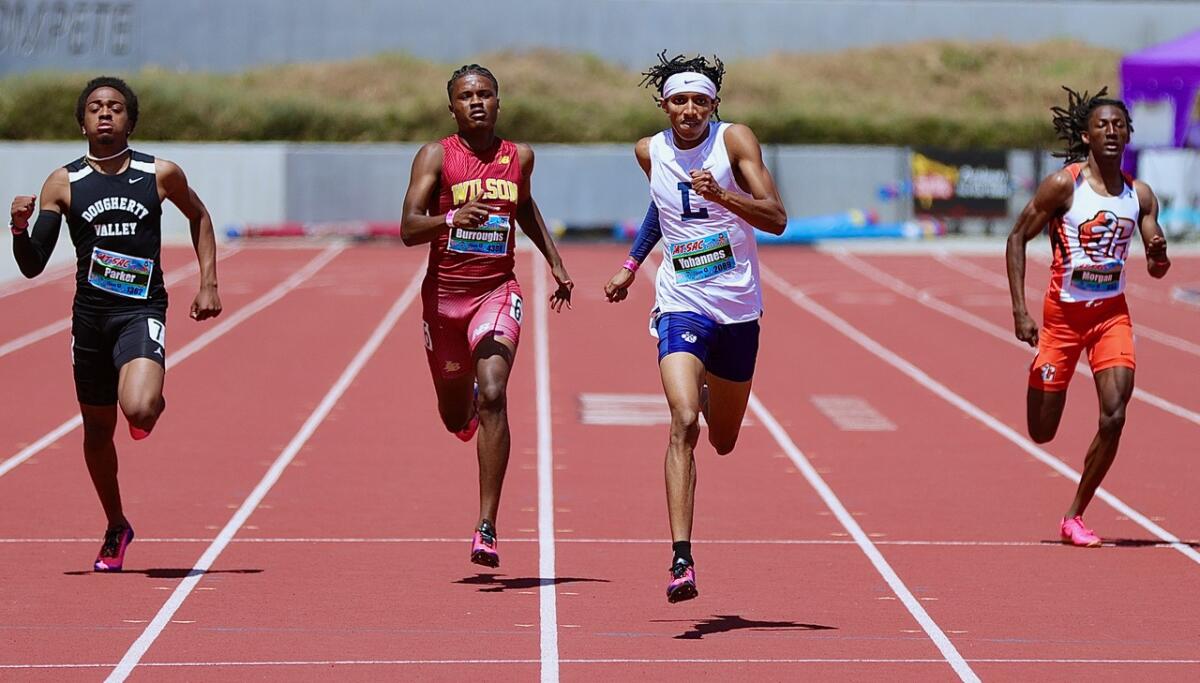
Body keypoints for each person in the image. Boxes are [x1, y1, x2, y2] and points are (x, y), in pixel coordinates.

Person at [9, 76, 222, 571]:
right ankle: (116, 524)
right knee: (98, 430)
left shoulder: (159, 172)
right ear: (81, 121)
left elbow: (199, 215)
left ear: (131, 120)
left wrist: (208, 282)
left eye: (117, 107)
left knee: (141, 411)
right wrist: (19, 228)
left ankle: (149, 395)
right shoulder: (62, 183)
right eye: (96, 107)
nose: (106, 113)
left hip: (141, 309)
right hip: (90, 320)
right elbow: (34, 262)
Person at [604, 53, 786, 602]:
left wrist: (723, 195)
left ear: (715, 106)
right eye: (679, 100)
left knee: (724, 440)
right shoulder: (648, 150)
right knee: (684, 421)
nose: (688, 110)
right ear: (664, 105)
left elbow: (776, 217)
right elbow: (662, 208)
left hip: (737, 308)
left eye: (699, 101)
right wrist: (632, 267)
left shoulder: (734, 143)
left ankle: (710, 384)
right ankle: (681, 557)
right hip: (681, 299)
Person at [400, 64, 573, 569]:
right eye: (465, 96)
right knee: (455, 416)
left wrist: (557, 264)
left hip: (496, 292)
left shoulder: (519, 157)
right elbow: (409, 227)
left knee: (496, 390)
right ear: (451, 107)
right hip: (444, 302)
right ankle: (466, 408)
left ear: (499, 102)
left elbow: (524, 208)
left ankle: (487, 525)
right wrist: (451, 217)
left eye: (485, 94)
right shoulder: (436, 156)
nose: (476, 102)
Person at [1006, 86, 1170, 547]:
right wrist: (1020, 310)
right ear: (1086, 135)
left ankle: (1074, 515)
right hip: (1061, 320)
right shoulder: (1065, 185)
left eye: (1120, 125)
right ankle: (1040, 370)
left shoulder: (1139, 195)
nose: (1112, 132)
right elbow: (1017, 238)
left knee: (1114, 415)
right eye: (1103, 125)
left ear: (1128, 135)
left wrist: (1158, 253)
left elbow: (1158, 267)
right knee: (1042, 432)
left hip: (1111, 318)